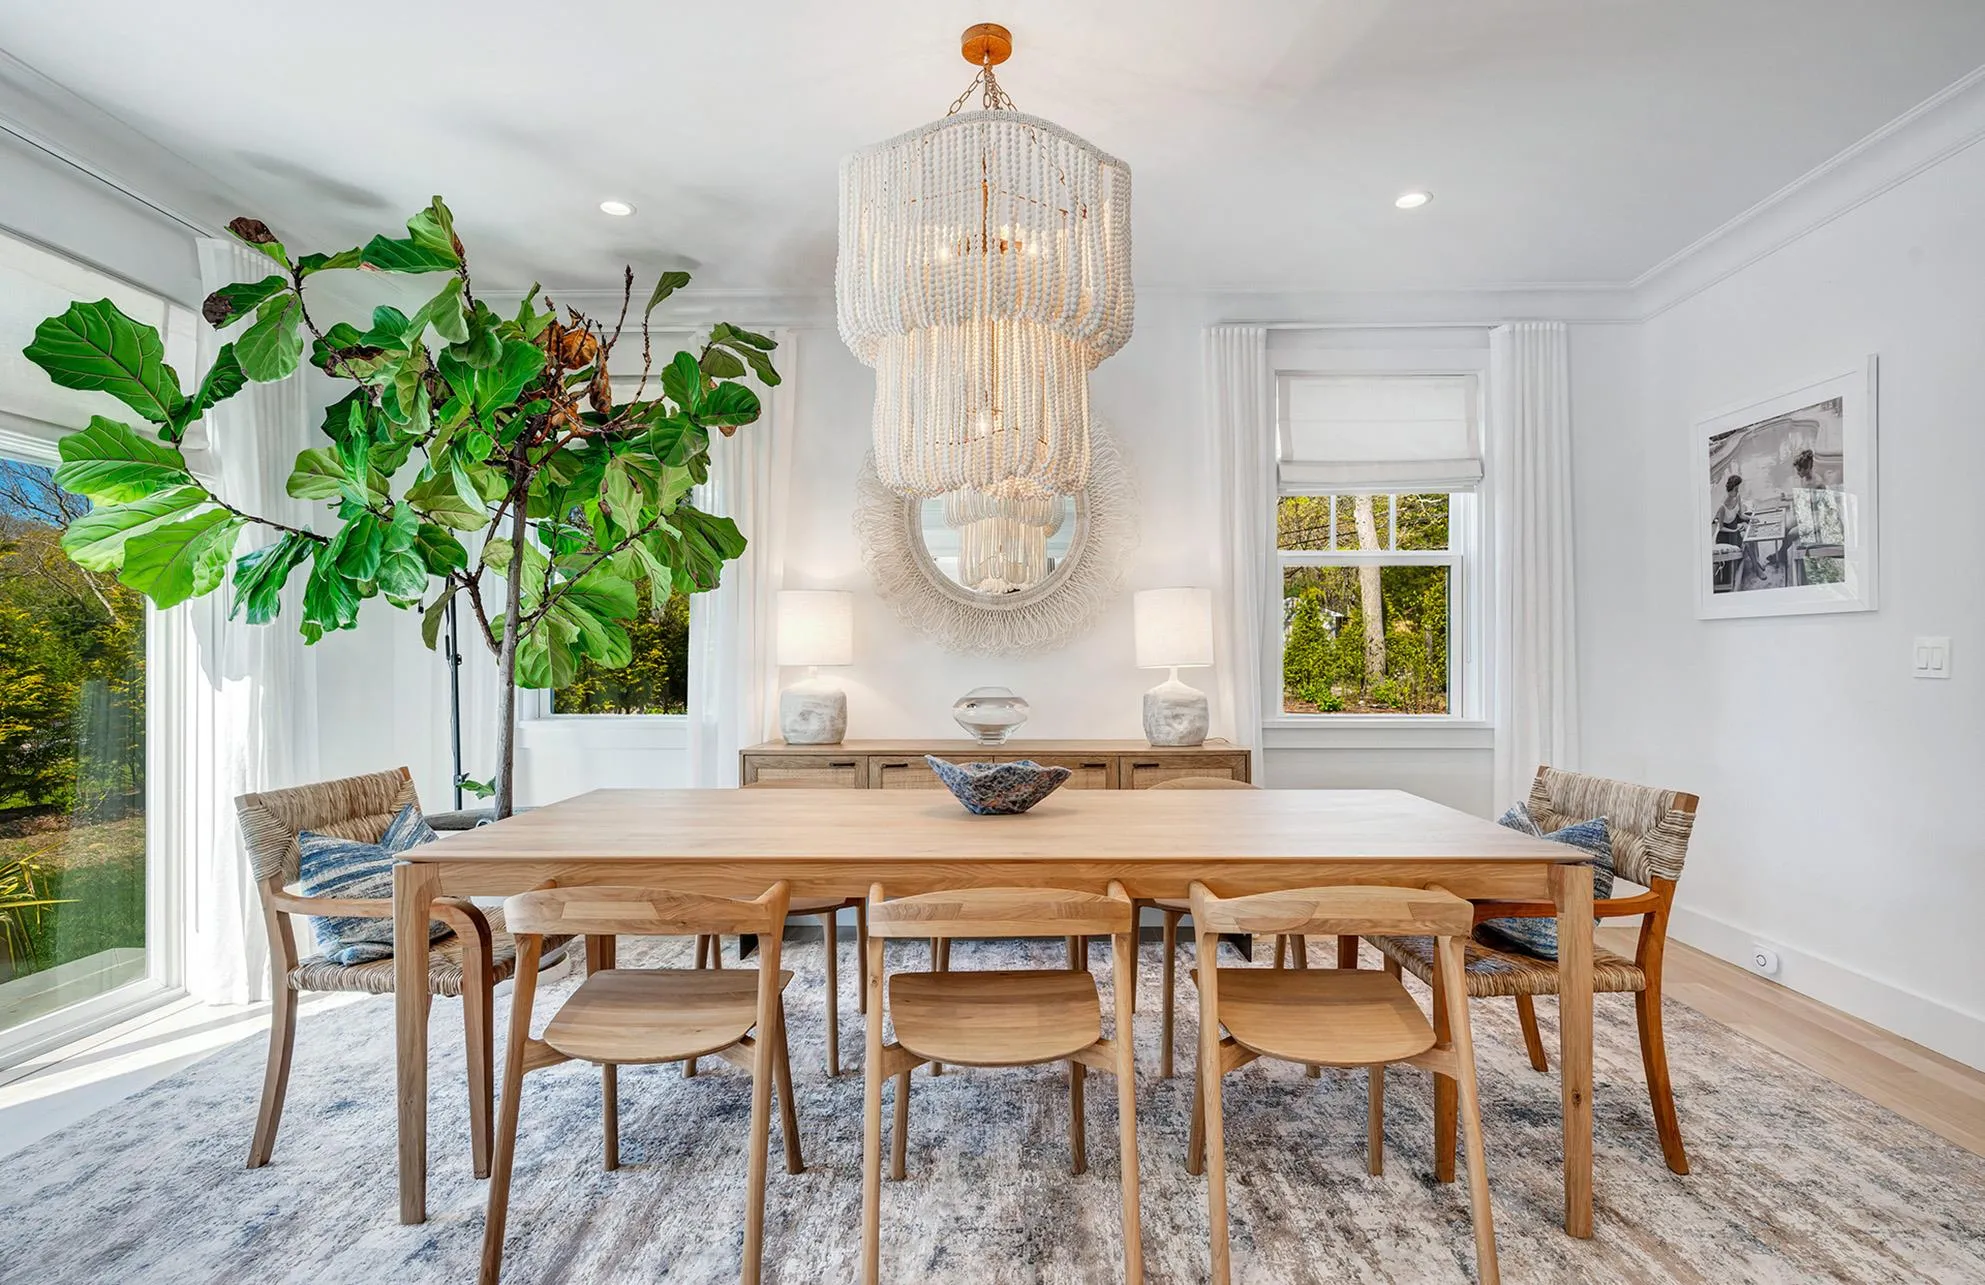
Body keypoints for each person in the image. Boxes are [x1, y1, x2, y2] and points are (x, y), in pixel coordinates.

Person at [1712, 473, 1766, 589]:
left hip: (1734, 529)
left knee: (1749, 532)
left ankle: (1756, 561)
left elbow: (1741, 514)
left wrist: (1752, 518)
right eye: (1735, 489)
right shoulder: (1722, 507)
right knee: (1746, 541)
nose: (1737, 492)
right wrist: (1735, 530)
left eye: (1738, 489)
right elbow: (1720, 527)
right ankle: (1757, 569)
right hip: (1725, 535)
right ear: (1730, 490)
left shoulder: (1737, 497)